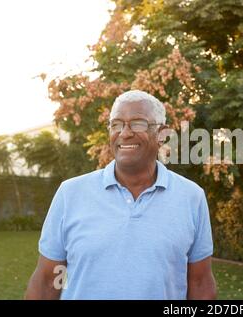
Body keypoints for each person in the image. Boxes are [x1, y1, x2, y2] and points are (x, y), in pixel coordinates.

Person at [25, 90, 216, 299]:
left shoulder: (191, 197)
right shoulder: (70, 193)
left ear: (162, 135)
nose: (124, 133)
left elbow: (200, 284)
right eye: (116, 124)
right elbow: (46, 282)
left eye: (137, 123)